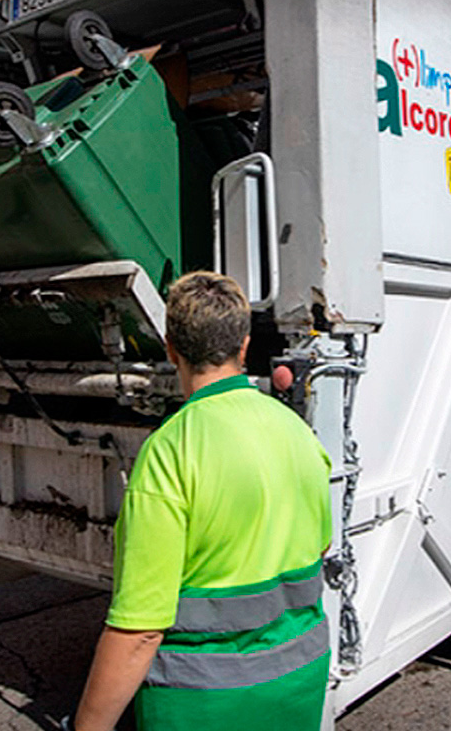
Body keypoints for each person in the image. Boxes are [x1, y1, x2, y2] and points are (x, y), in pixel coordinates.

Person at [68, 271, 332, 731]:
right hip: (298, 682)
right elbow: (319, 548)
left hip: (205, 704)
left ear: (171, 349)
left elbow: (140, 629)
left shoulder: (170, 452)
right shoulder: (298, 432)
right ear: (244, 345)